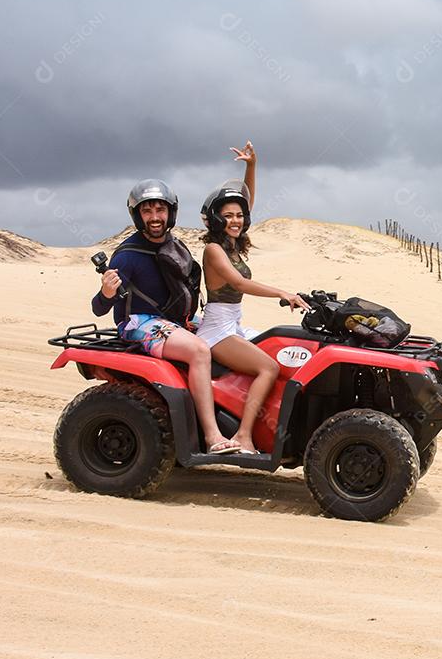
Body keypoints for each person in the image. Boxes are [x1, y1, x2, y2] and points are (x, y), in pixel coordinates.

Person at [92, 180, 241, 454]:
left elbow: (234, 215)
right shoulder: (127, 255)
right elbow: (99, 308)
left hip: (176, 322)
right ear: (137, 215)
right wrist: (106, 291)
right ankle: (212, 435)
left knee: (229, 337)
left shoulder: (175, 244)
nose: (155, 217)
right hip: (138, 321)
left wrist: (249, 170)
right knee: (199, 350)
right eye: (147, 211)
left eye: (160, 210)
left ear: (170, 212)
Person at [197, 141, 307, 454]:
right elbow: (238, 284)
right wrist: (282, 293)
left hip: (236, 324)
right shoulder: (213, 250)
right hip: (217, 330)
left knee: (284, 353)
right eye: (228, 216)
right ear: (216, 220)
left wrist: (252, 167)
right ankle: (244, 436)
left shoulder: (233, 244)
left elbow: (247, 203)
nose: (236, 220)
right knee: (268, 367)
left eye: (239, 216)